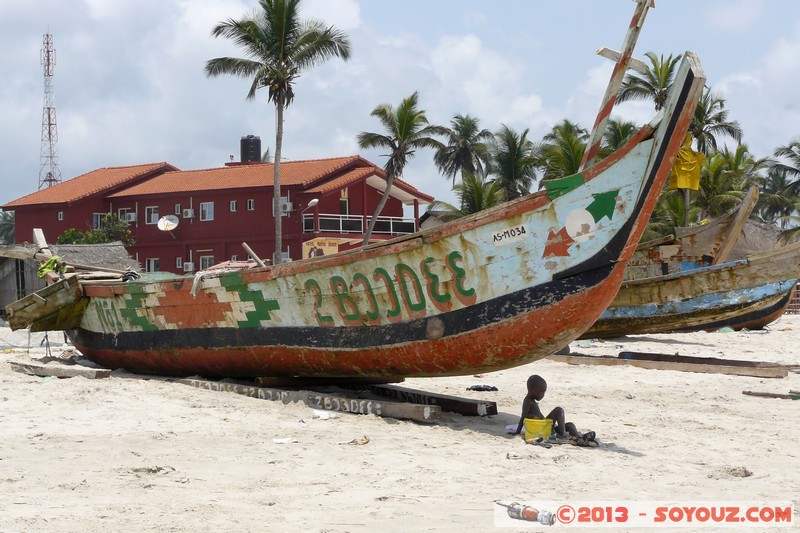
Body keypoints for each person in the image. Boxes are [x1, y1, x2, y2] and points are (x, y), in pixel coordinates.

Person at [513, 374, 582, 442]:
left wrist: (517, 432)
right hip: (543, 428)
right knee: (559, 410)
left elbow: (523, 417)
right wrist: (536, 417)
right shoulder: (527, 401)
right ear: (534, 391)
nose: (543, 395)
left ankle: (577, 437)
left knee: (570, 425)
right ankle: (563, 435)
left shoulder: (532, 401)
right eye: (542, 393)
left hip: (546, 426)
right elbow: (524, 416)